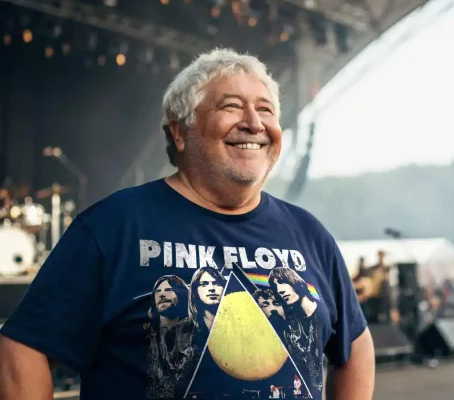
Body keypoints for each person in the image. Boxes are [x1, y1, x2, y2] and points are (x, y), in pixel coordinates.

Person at [0, 48, 374, 400]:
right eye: (232, 106)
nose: (254, 123)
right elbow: (23, 348)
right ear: (179, 132)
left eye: (266, 110)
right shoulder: (114, 226)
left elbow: (355, 345)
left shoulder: (308, 234)